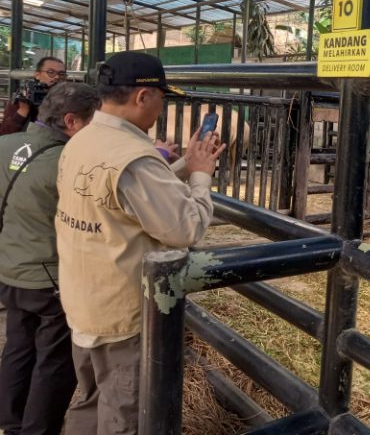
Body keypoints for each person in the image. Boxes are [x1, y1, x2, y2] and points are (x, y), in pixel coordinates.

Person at [55, 52, 225, 435]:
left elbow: (126, 198)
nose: (162, 106)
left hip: (84, 301)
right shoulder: (134, 160)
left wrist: (179, 166)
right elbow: (186, 228)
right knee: (124, 417)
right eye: (163, 97)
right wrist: (200, 176)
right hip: (122, 314)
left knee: (90, 400)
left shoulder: (83, 141)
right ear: (144, 97)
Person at [0, 82, 100, 435]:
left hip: (10, 270)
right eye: (94, 122)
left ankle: (10, 423)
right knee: (54, 362)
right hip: (50, 278)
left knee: (18, 346)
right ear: (71, 121)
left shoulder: (4, 144)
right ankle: (38, 430)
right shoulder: (68, 162)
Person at [0, 57, 68, 136]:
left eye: (62, 74)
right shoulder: (22, 100)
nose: (57, 77)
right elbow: (4, 135)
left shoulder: (69, 100)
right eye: (51, 72)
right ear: (37, 75)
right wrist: (23, 111)